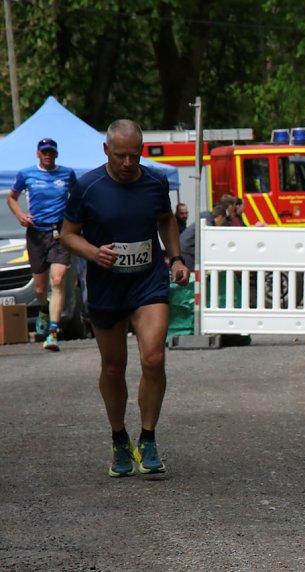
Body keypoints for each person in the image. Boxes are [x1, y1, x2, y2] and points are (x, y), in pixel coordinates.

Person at [60, 119, 189, 478]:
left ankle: (147, 438)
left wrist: (176, 257)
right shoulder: (87, 186)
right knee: (113, 366)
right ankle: (119, 438)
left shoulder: (155, 182)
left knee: (154, 356)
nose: (128, 163)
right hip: (106, 287)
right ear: (106, 151)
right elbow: (67, 235)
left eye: (135, 155)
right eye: (120, 156)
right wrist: (91, 252)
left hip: (148, 283)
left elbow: (165, 220)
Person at [6, 137, 78, 351]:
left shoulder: (67, 174)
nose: (47, 155)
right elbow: (12, 197)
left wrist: (74, 221)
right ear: (38, 154)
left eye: (51, 152)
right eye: (44, 152)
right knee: (40, 289)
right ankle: (44, 309)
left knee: (58, 280)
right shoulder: (26, 174)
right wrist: (20, 215)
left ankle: (53, 332)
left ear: (56, 154)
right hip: (36, 234)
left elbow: (77, 197)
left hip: (59, 233)